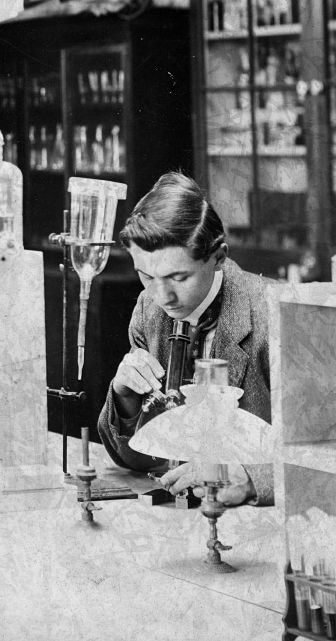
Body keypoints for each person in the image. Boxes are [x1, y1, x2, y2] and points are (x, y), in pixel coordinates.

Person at [96, 171, 273, 506]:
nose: (163, 295)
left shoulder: (271, 315)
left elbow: (328, 455)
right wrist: (124, 397)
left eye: (178, 277)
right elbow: (136, 460)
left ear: (218, 257)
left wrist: (250, 479)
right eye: (146, 275)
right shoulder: (148, 311)